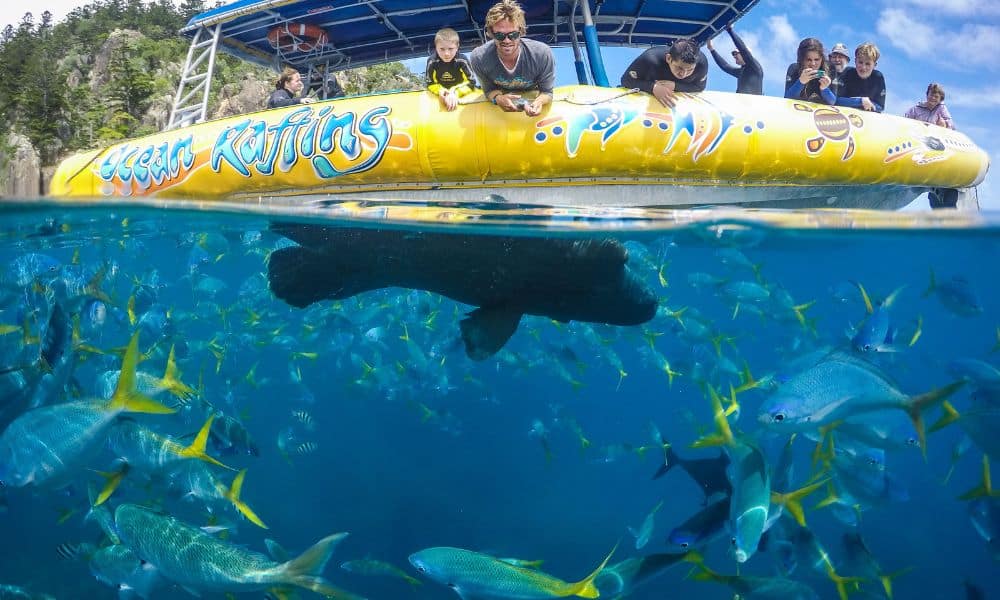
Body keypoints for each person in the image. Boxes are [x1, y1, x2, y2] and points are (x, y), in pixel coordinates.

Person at [469, 0, 555, 117]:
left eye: (513, 35)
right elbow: (489, 91)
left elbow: (547, 92)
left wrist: (538, 102)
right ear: (491, 33)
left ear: (521, 32)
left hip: (532, 96)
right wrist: (497, 98)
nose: (507, 40)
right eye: (499, 35)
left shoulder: (542, 54)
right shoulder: (478, 58)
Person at [621, 39, 708, 108]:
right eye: (679, 68)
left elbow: (699, 87)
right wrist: (653, 87)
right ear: (669, 58)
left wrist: (675, 86)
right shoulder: (650, 58)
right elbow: (626, 80)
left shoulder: (701, 64)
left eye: (690, 70)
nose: (683, 74)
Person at [425, 27, 478, 111]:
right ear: (436, 47)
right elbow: (430, 83)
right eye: (442, 49)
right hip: (442, 92)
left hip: (459, 91)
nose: (446, 53)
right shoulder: (432, 61)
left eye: (450, 49)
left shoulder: (462, 60)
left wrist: (455, 93)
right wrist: (440, 91)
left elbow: (471, 82)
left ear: (457, 47)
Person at [706, 25, 763, 95]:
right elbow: (725, 66)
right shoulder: (741, 72)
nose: (734, 56)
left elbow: (743, 49)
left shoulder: (755, 67)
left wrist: (730, 30)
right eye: (733, 54)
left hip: (754, 104)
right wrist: (711, 49)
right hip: (742, 104)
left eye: (736, 53)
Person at [836, 42, 885, 112]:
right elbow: (836, 100)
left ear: (874, 65)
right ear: (855, 61)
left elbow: (880, 106)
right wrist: (860, 101)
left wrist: (866, 103)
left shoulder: (878, 77)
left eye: (868, 64)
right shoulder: (847, 73)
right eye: (860, 62)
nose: (863, 67)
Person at [784, 38, 835, 105]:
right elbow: (787, 98)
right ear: (801, 60)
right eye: (808, 60)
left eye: (816, 59)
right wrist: (800, 82)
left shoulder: (830, 69)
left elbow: (833, 102)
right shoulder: (794, 69)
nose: (813, 64)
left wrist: (824, 89)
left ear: (822, 59)